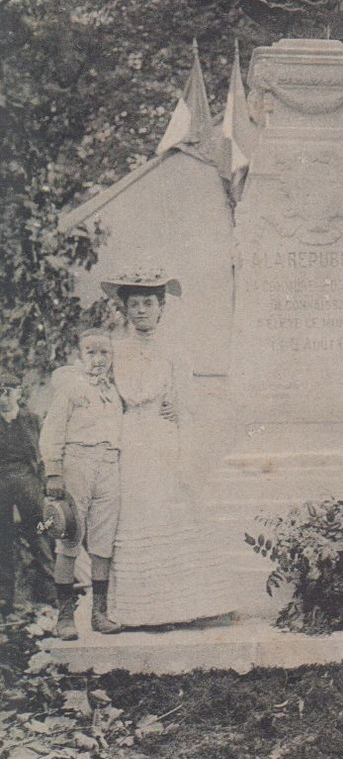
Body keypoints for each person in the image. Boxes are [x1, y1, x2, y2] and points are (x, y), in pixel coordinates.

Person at [102, 269, 234, 628]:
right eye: (134, 304)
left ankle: (184, 604)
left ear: (161, 308)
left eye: (148, 303)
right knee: (137, 511)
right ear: (125, 309)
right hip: (131, 435)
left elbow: (188, 398)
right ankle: (142, 609)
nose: (142, 310)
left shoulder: (175, 349)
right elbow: (111, 395)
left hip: (163, 437)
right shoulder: (115, 349)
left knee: (172, 507)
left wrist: (180, 407)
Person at [39, 329, 123, 640]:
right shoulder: (71, 388)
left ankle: (98, 614)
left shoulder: (114, 392)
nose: (98, 359)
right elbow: (52, 430)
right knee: (70, 538)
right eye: (91, 352)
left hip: (110, 465)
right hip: (78, 463)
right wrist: (54, 471)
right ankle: (65, 617)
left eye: (104, 353)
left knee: (103, 542)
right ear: (80, 356)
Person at [0, 369, 54, 616]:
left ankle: (52, 595)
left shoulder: (32, 419)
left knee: (41, 536)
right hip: (1, 487)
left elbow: (43, 457)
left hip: (29, 486)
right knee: (4, 541)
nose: (3, 397)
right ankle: (8, 600)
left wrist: (45, 487)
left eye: (8, 391)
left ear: (18, 392)